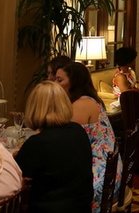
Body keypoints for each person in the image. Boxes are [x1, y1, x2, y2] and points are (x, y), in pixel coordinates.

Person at [17, 81, 93, 213]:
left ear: (34, 108)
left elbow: (16, 176)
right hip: (82, 207)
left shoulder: (37, 143)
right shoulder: (78, 130)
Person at [56, 62, 116, 213]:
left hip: (100, 173)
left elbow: (63, 141)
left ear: (74, 81)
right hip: (110, 166)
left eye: (59, 80)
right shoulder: (89, 99)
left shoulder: (81, 104)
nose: (55, 84)